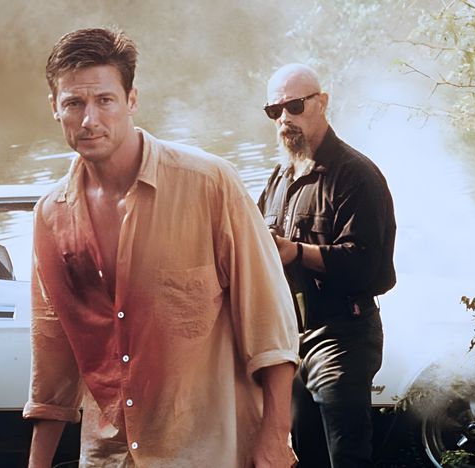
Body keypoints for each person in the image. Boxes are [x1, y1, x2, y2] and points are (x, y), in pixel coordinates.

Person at [22, 28, 300, 468]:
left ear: (131, 100)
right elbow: (52, 359)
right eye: (74, 103)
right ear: (54, 107)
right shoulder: (51, 215)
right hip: (109, 456)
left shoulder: (209, 184)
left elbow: (271, 324)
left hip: (208, 452)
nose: (89, 119)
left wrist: (275, 437)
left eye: (105, 100)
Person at [257, 63, 397, 468]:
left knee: (347, 457)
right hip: (291, 339)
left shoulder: (356, 175)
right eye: (275, 110)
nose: (285, 118)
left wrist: (296, 252)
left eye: (295, 106)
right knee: (305, 456)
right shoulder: (280, 177)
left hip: (343, 337)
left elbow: (368, 265)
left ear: (322, 102)